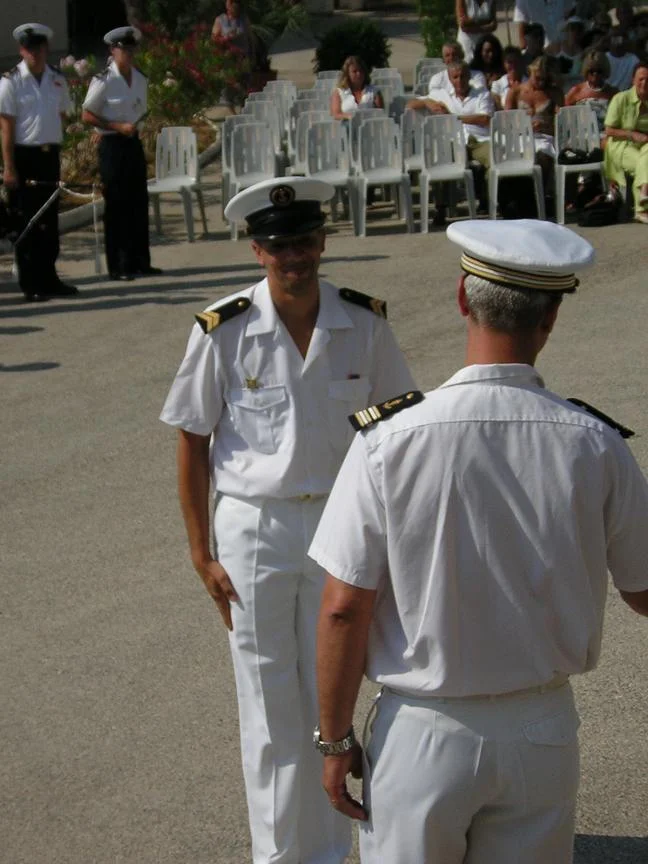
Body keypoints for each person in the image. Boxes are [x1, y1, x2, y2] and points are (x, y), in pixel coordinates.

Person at [309, 218, 648, 864]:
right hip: (541, 730)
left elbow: (343, 606)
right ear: (549, 318)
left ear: (463, 299)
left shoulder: (390, 441)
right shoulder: (595, 444)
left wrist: (333, 739)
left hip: (424, 732)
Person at [159, 177, 416, 864]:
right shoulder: (224, 329)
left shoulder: (364, 322)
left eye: (305, 242)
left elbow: (400, 432)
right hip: (255, 530)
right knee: (270, 710)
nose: (295, 257)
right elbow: (192, 438)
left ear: (324, 241)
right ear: (256, 250)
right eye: (279, 247)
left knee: (332, 701)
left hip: (344, 530)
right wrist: (200, 553)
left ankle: (333, 852)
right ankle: (278, 857)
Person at [0, 23, 78, 302]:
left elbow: (64, 113)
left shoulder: (56, 78)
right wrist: (9, 167)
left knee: (48, 221)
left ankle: (50, 278)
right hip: (24, 156)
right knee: (27, 222)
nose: (35, 54)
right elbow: (6, 128)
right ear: (22, 50)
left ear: (46, 49)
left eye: (39, 48)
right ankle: (30, 283)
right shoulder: (10, 82)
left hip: (49, 155)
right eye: (29, 49)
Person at [82, 27, 162, 282]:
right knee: (117, 206)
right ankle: (119, 266)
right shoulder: (104, 80)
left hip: (133, 143)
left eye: (131, 49)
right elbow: (87, 114)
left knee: (138, 202)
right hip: (112, 145)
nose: (127, 54)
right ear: (112, 51)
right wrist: (116, 126)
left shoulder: (140, 78)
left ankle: (141, 261)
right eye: (122, 50)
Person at [407, 61, 494, 221]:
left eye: (462, 76)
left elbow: (485, 118)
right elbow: (410, 104)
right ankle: (441, 207)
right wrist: (427, 101)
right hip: (453, 140)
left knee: (494, 158)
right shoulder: (442, 95)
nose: (459, 80)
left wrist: (453, 117)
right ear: (450, 78)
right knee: (441, 158)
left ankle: (489, 201)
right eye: (455, 77)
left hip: (478, 139)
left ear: (469, 77)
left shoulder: (482, 94)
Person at [507, 55, 564, 202]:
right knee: (518, 155)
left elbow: (562, 123)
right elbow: (506, 121)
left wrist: (545, 125)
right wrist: (522, 126)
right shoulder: (516, 91)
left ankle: (539, 198)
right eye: (536, 77)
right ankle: (521, 199)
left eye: (543, 79)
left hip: (544, 136)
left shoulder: (553, 93)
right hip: (520, 136)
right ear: (529, 72)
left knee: (543, 157)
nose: (539, 82)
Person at [603, 61, 648, 223]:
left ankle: (642, 204)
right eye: (641, 79)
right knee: (642, 164)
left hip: (645, 146)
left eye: (647, 79)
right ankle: (643, 204)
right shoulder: (620, 99)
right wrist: (632, 134)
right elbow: (609, 130)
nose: (644, 83)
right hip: (620, 145)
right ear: (633, 80)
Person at [565, 51, 618, 133]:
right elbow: (564, 114)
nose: (595, 74)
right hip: (580, 136)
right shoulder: (576, 90)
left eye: (599, 71)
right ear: (586, 71)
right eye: (591, 71)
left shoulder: (613, 92)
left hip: (605, 136)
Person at [330, 56, 383, 121]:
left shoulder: (374, 91)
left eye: (361, 70)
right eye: (354, 71)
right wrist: (350, 117)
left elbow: (381, 114)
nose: (359, 74)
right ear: (347, 74)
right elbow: (335, 114)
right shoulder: (339, 92)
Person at [455, 0, 497, 64]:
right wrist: (486, 22)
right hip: (467, 43)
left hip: (485, 42)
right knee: (467, 66)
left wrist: (472, 22)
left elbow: (494, 25)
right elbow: (463, 25)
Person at [491, 45, 528, 110]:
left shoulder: (529, 83)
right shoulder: (497, 85)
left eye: (516, 61)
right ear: (504, 64)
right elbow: (498, 108)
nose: (513, 65)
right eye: (509, 62)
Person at [605, 27, 640, 91]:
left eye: (620, 37)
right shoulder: (603, 58)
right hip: (605, 94)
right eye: (614, 38)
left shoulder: (634, 59)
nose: (618, 41)